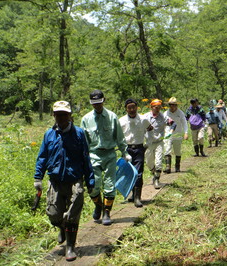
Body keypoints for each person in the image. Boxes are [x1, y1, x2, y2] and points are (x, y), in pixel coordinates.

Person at [33, 101, 95, 261]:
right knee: (53, 214)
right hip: (55, 180)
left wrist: (90, 181)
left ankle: (70, 247)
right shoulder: (49, 134)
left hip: (75, 179)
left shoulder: (79, 133)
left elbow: (85, 158)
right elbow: (42, 156)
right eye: (58, 114)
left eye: (64, 114)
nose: (61, 118)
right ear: (54, 115)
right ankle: (61, 227)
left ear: (70, 116)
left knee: (73, 216)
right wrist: (38, 177)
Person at [80, 90, 130, 226]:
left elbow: (120, 137)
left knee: (109, 185)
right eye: (94, 104)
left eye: (99, 103)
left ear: (104, 101)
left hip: (109, 154)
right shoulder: (86, 119)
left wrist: (125, 152)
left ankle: (107, 213)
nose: (97, 106)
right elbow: (83, 142)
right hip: (93, 154)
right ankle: (98, 206)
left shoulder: (112, 117)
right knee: (93, 185)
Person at [119, 99, 152, 207]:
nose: (132, 110)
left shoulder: (143, 119)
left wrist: (148, 142)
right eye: (129, 108)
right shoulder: (121, 121)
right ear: (126, 109)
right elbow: (118, 136)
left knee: (138, 173)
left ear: (137, 107)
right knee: (128, 173)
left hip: (139, 149)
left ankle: (138, 198)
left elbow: (150, 129)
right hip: (127, 149)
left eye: (134, 107)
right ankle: (132, 194)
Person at [144, 99, 176, 189]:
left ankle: (157, 179)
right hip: (149, 142)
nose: (157, 109)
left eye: (159, 107)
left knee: (158, 162)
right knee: (149, 162)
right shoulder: (145, 117)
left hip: (159, 141)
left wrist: (170, 132)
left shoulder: (163, 117)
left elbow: (173, 124)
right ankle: (154, 174)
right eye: (155, 107)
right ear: (151, 107)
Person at [163, 97, 188, 173]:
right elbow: (163, 124)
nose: (172, 106)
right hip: (168, 134)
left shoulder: (180, 113)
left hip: (177, 134)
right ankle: (168, 167)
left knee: (177, 151)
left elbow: (184, 123)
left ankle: (177, 166)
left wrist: (186, 132)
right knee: (167, 150)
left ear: (176, 105)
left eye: (173, 105)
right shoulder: (165, 113)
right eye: (170, 105)